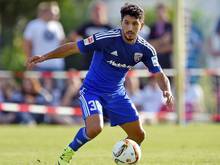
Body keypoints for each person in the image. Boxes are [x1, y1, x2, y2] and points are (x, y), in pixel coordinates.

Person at [27, 3, 174, 165]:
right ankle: (66, 155)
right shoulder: (106, 38)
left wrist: (166, 90)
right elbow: (73, 48)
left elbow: (159, 73)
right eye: (126, 22)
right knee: (95, 128)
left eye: (135, 23)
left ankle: (124, 157)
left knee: (139, 136)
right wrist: (45, 57)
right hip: (92, 91)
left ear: (142, 25)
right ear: (121, 23)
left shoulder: (146, 49)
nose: (130, 27)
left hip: (117, 95)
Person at [67, 0, 113, 70]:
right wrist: (79, 42)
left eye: (100, 11)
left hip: (104, 65)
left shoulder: (110, 28)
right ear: (92, 13)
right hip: (88, 63)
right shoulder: (87, 26)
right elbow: (72, 36)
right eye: (96, 11)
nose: (98, 14)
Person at [23, 1, 65, 71]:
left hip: (56, 65)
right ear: (46, 11)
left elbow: (62, 43)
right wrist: (29, 61)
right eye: (54, 11)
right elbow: (26, 44)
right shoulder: (33, 25)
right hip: (39, 65)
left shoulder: (58, 25)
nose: (57, 14)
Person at [148, 3, 173, 69]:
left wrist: (156, 47)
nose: (160, 14)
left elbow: (172, 46)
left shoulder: (171, 26)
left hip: (168, 61)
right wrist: (162, 41)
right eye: (158, 12)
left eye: (163, 12)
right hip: (155, 60)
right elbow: (149, 45)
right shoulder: (153, 27)